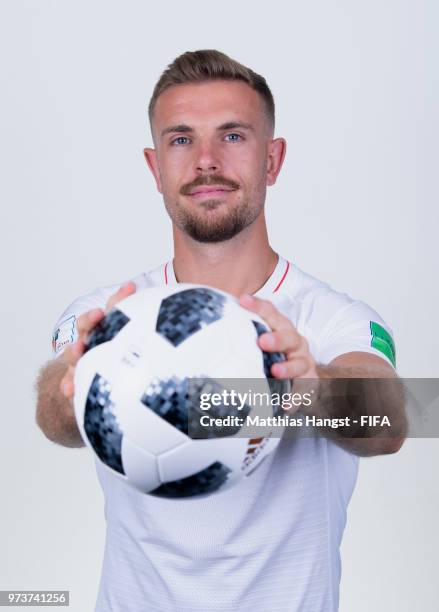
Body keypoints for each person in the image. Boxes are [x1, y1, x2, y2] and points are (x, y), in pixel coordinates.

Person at [36, 49, 406, 612]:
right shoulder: (113, 318)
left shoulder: (331, 318)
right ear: (155, 166)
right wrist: (75, 383)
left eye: (232, 136)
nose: (206, 161)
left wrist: (315, 390)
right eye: (181, 139)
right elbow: (53, 415)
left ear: (273, 160)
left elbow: (391, 420)